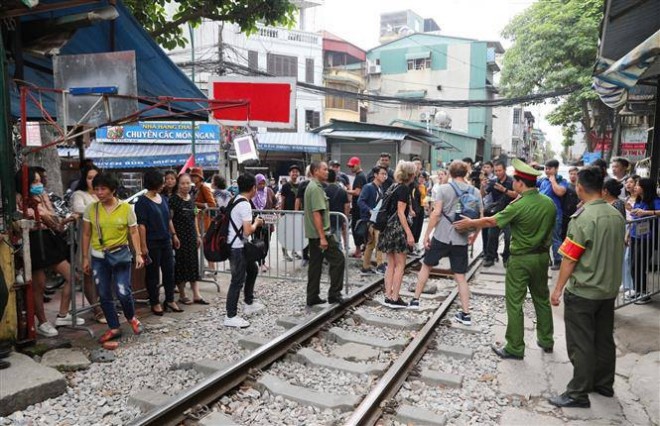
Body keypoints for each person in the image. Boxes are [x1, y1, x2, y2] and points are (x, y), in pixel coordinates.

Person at [455, 159, 556, 359]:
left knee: (515, 302)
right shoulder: (548, 203)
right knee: (542, 299)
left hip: (521, 260)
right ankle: (546, 340)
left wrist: (470, 223)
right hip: (542, 258)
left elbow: (492, 221)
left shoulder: (518, 206)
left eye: (515, 182)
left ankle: (515, 347)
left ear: (519, 183)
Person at [548, 167, 625, 408]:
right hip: (608, 290)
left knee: (580, 342)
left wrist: (558, 288)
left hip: (584, 291)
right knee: (603, 339)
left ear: (580, 187)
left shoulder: (583, 218)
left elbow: (570, 259)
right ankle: (604, 384)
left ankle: (577, 392)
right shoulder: (616, 216)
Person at [409, 161, 481, 323]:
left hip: (441, 236)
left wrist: (427, 235)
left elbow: (436, 214)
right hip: (461, 239)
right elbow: (479, 218)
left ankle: (415, 300)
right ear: (466, 173)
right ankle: (466, 314)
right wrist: (473, 237)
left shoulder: (443, 189)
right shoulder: (475, 192)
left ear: (450, 172)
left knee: (426, 266)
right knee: (461, 277)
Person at [15, 168, 82, 337]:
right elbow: (49, 219)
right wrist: (51, 218)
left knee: (72, 276)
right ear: (25, 184)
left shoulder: (42, 196)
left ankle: (62, 314)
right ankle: (42, 323)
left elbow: (54, 221)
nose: (39, 185)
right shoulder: (19, 200)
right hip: (34, 242)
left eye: (40, 181)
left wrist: (60, 219)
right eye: (35, 182)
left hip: (49, 239)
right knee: (39, 286)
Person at [81, 173, 145, 344]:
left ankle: (131, 317)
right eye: (97, 189)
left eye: (103, 189)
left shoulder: (126, 208)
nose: (99, 192)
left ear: (113, 190)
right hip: (98, 257)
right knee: (103, 293)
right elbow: (86, 234)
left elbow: (133, 231)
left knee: (123, 291)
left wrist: (138, 253)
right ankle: (114, 327)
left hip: (120, 255)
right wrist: (85, 258)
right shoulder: (91, 209)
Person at [135, 170, 181, 316]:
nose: (163, 184)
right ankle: (155, 302)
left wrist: (174, 235)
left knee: (169, 271)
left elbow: (168, 219)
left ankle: (169, 299)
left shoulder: (163, 199)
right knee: (152, 274)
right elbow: (141, 225)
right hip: (151, 242)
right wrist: (143, 245)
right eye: (161, 181)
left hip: (165, 240)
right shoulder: (142, 202)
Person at [224, 173, 266, 328]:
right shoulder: (245, 204)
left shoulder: (235, 200)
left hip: (237, 244)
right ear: (253, 188)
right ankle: (230, 316)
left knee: (253, 269)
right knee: (237, 280)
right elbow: (247, 231)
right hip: (237, 247)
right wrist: (256, 223)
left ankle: (249, 302)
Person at [304, 161, 345, 307]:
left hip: (314, 234)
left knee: (315, 265)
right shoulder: (315, 188)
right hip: (320, 234)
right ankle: (334, 294)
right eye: (324, 169)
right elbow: (317, 214)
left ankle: (312, 296)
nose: (327, 172)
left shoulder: (314, 186)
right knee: (339, 260)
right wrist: (323, 237)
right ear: (315, 171)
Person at [378, 161, 417, 308]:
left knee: (390, 264)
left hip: (387, 228)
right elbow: (401, 212)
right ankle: (395, 298)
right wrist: (409, 234)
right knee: (400, 264)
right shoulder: (404, 189)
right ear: (411, 175)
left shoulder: (393, 186)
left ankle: (388, 295)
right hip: (397, 229)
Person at [70, 165, 106, 323]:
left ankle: (104, 305)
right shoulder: (79, 194)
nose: (92, 181)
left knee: (104, 275)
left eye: (95, 177)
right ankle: (96, 309)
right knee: (88, 274)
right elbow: (78, 208)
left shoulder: (103, 194)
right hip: (87, 240)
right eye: (89, 178)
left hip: (105, 240)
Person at [169, 173, 206, 306]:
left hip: (191, 235)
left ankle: (196, 294)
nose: (185, 186)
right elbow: (170, 219)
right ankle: (182, 294)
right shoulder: (173, 200)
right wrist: (174, 235)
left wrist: (198, 235)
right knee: (181, 265)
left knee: (193, 264)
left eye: (187, 183)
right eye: (182, 183)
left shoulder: (191, 199)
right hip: (179, 236)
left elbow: (194, 217)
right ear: (178, 185)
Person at [628, 178, 660, 304]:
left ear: (645, 187)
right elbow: (635, 216)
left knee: (639, 265)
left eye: (638, 185)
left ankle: (644, 294)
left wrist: (646, 212)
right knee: (633, 265)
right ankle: (637, 290)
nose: (635, 187)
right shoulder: (639, 200)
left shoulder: (654, 201)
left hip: (648, 238)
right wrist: (628, 235)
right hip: (635, 236)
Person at [482, 161, 516, 267]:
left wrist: (504, 190)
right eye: (496, 171)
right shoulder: (493, 181)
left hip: (509, 213)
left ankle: (507, 257)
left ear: (505, 170)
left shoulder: (512, 181)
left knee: (508, 237)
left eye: (499, 170)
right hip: (497, 213)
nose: (498, 173)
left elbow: (516, 195)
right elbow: (484, 194)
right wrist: (482, 186)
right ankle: (491, 257)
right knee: (492, 235)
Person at [538, 159, 568, 270]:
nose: (547, 171)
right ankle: (546, 259)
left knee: (555, 238)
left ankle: (558, 260)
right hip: (542, 213)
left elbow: (560, 192)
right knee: (542, 237)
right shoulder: (542, 180)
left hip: (555, 214)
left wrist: (553, 181)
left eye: (549, 168)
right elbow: (530, 184)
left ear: (556, 169)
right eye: (546, 168)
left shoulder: (561, 181)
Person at [358, 166, 387, 275]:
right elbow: (360, 201)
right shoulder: (368, 187)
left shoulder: (380, 188)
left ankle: (365, 266)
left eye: (385, 174)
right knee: (378, 242)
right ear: (375, 175)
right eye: (382, 174)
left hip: (376, 219)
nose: (384, 176)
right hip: (371, 219)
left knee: (371, 244)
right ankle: (380, 265)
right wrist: (369, 210)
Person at [252, 174, 277, 272]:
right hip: (256, 221)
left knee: (267, 242)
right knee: (258, 242)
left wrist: (276, 209)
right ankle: (260, 263)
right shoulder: (253, 192)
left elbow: (275, 202)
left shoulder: (269, 191)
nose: (262, 185)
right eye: (259, 183)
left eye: (263, 183)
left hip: (268, 221)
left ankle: (263, 261)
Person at [279, 164, 301, 261]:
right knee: (286, 234)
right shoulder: (285, 186)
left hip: (297, 214)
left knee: (296, 234)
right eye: (293, 172)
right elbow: (282, 199)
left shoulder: (300, 185)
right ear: (289, 173)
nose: (295, 173)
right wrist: (281, 211)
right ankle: (285, 253)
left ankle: (294, 251)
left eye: (296, 172)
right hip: (287, 213)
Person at [325, 169, 350, 252]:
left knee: (326, 239)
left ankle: (326, 259)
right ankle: (338, 258)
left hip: (326, 219)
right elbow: (346, 206)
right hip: (338, 219)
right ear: (335, 178)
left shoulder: (323, 190)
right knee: (337, 240)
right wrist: (345, 219)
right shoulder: (342, 191)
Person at [347, 157, 367, 258]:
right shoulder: (361, 176)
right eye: (350, 166)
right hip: (359, 208)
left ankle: (358, 251)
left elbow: (357, 192)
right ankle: (360, 250)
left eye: (352, 166)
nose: (351, 168)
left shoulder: (360, 177)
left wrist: (345, 190)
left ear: (358, 164)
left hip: (358, 209)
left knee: (357, 229)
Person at [189, 167, 217, 235]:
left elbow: (212, 204)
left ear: (200, 177)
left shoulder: (204, 188)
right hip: (196, 218)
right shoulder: (194, 188)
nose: (193, 178)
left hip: (204, 220)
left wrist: (196, 203)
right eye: (192, 176)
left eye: (195, 176)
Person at [560, 166, 580, 242]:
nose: (572, 175)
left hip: (578, 214)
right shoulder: (565, 186)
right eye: (571, 174)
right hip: (566, 215)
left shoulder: (580, 186)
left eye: (575, 174)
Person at [410, 157, 425, 252]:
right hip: (414, 208)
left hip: (420, 207)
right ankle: (410, 247)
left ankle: (415, 245)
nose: (418, 166)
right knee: (413, 228)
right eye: (416, 164)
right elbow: (409, 196)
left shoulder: (420, 179)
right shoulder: (411, 179)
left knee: (419, 227)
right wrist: (411, 209)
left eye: (419, 164)